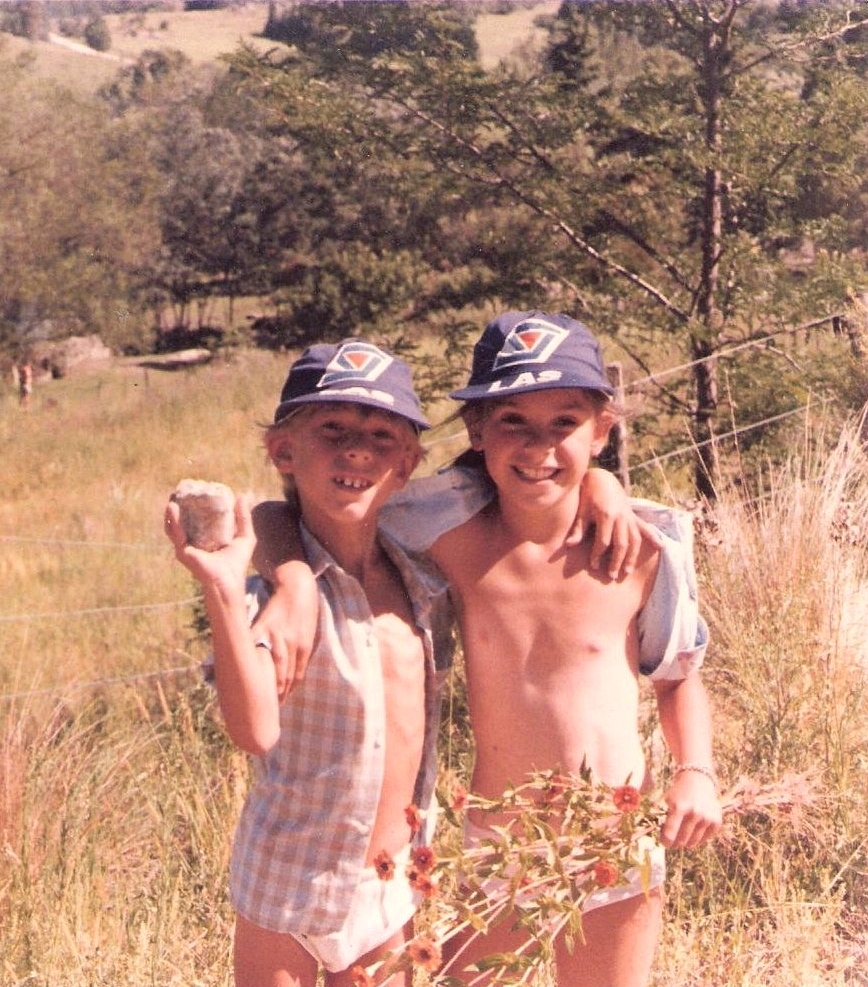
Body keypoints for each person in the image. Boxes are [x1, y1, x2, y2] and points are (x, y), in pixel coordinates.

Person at [252, 312, 720, 987]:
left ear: (602, 428)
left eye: (564, 423)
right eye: (513, 424)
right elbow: (284, 512)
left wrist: (696, 770)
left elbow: (678, 675)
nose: (539, 448)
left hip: (612, 842)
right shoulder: (445, 531)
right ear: (477, 431)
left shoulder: (643, 551)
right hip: (494, 847)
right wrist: (293, 577)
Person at [165, 339, 455, 987]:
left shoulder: (422, 573)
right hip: (287, 884)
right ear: (284, 451)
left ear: (406, 463)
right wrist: (224, 586)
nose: (358, 449)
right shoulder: (271, 592)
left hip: (387, 886)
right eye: (333, 429)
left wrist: (603, 483)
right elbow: (255, 730)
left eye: (382, 435)